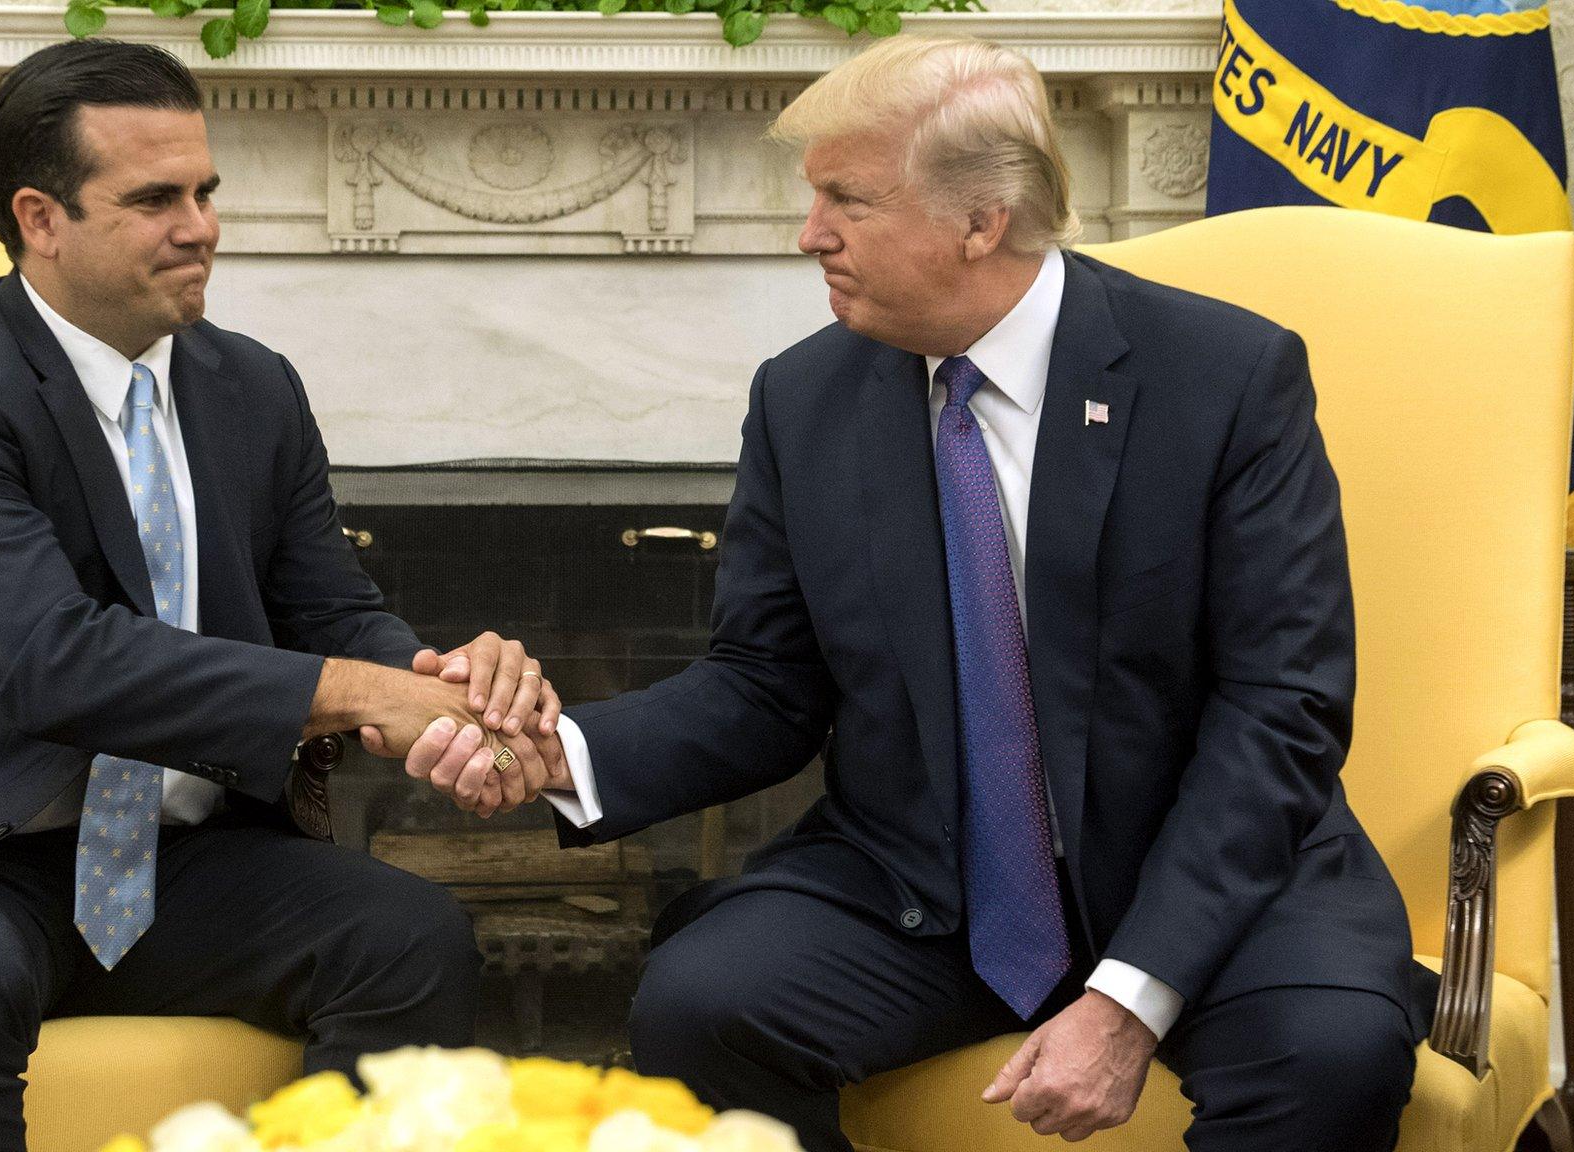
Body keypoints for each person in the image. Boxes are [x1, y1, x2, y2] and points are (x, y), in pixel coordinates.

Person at [410, 35, 1433, 1151]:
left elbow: (1277, 709)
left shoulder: (1224, 380)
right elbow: (764, 685)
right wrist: (573, 754)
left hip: (1201, 873)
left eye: (846, 199)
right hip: (923, 881)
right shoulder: (805, 399)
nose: (810, 235)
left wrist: (1128, 996)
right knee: (703, 1007)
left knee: (1326, 1060)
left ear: (979, 221)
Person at [0, 38, 568, 1152]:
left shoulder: (250, 385)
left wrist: (440, 690)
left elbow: (329, 611)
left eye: (205, 191)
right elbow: (48, 661)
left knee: (409, 936)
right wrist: (358, 690)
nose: (200, 224)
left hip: (180, 862)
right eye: (155, 198)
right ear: (39, 217)